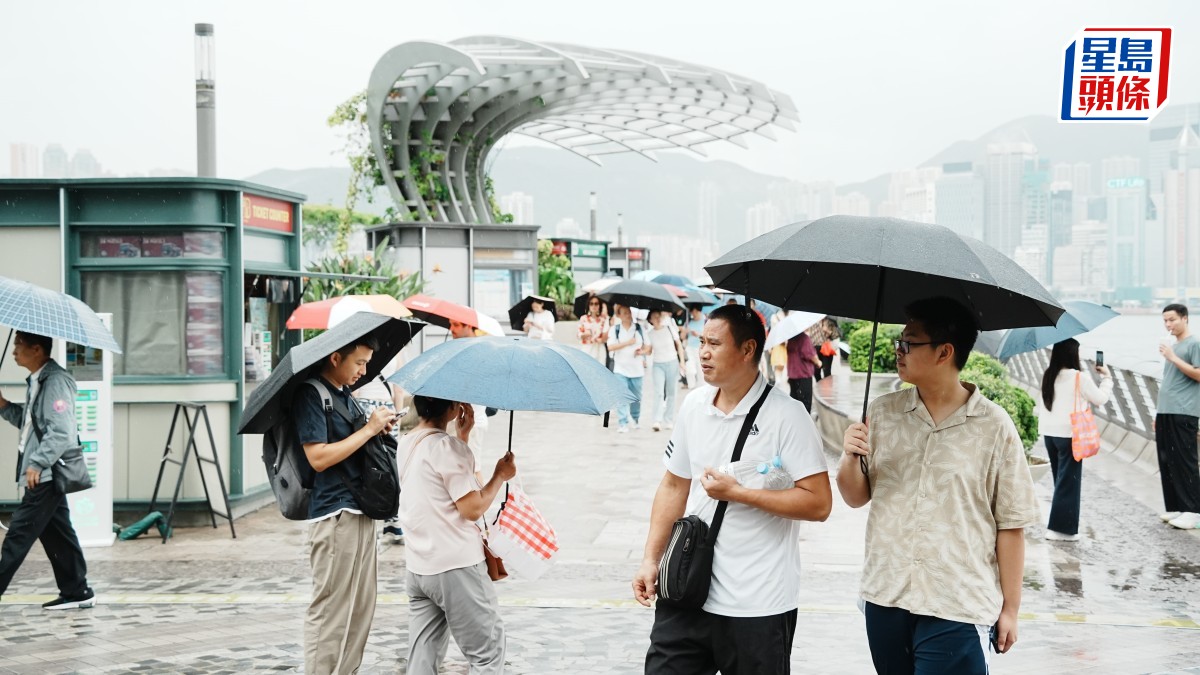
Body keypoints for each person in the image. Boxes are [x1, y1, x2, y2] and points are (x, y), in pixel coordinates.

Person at [838, 297, 1038, 673]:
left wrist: (1011, 609)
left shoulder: (994, 427)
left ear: (945, 352)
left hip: (956, 601)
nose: (898, 350)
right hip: (887, 593)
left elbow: (1011, 525)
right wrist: (850, 455)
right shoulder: (883, 412)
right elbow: (854, 497)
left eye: (909, 343)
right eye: (900, 341)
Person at [632, 304, 832, 673]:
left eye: (714, 344)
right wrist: (650, 559)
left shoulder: (787, 416)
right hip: (686, 589)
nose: (703, 352)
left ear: (747, 350)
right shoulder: (693, 405)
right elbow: (674, 484)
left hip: (757, 603)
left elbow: (819, 503)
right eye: (702, 342)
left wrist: (739, 493)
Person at [294, 333, 399, 674]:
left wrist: (378, 431)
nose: (363, 371)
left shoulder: (345, 395)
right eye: (359, 363)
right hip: (335, 514)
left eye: (367, 363)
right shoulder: (312, 394)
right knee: (331, 609)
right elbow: (318, 458)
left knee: (360, 608)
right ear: (336, 357)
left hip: (362, 510)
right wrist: (368, 430)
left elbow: (353, 445)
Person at [398, 396, 516, 675]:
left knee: (422, 658)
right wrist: (500, 475)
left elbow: (438, 485)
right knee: (487, 654)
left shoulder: (407, 442)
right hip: (456, 567)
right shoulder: (448, 447)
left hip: (419, 567)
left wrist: (461, 437)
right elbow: (472, 508)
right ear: (454, 408)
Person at [0, 331, 94, 609]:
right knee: (58, 534)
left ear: (37, 349)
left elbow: (62, 431)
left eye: (19, 345)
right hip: (44, 473)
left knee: (18, 534)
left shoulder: (55, 381)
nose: (15, 351)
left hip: (45, 474)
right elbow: (33, 427)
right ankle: (77, 591)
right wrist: (4, 405)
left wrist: (38, 462)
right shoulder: (38, 380)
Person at [1035, 338, 1112, 541]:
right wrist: (1107, 378)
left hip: (1050, 434)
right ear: (1073, 354)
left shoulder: (1048, 375)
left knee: (1061, 481)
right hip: (1069, 435)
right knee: (1069, 482)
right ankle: (1061, 530)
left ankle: (1061, 526)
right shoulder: (1079, 377)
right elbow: (1100, 399)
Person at [353, 351, 409, 545]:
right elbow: (399, 389)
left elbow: (355, 390)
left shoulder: (362, 353)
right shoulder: (396, 352)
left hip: (364, 407)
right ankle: (393, 520)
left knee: (367, 463)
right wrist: (397, 419)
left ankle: (370, 521)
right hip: (388, 409)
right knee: (389, 464)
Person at [1155, 303, 1200, 529]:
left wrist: (1173, 357)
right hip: (1167, 410)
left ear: (1184, 318)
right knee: (1168, 460)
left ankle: (1193, 511)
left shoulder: (1194, 344)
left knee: (1185, 460)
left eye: (1172, 319)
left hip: (1184, 410)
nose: (1168, 324)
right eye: (1165, 320)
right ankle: (1178, 507)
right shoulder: (1175, 345)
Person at [608, 303, 648, 433]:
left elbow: (648, 347)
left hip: (637, 370)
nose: (627, 315)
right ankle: (622, 422)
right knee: (621, 395)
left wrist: (642, 352)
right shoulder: (615, 329)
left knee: (636, 397)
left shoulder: (639, 328)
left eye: (629, 312)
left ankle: (635, 419)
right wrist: (627, 343)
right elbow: (610, 347)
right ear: (619, 315)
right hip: (620, 369)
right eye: (624, 313)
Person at [646, 310, 686, 432]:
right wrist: (639, 352)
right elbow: (648, 351)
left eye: (659, 316)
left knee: (671, 392)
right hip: (658, 364)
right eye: (654, 317)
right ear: (650, 320)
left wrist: (682, 363)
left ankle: (668, 420)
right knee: (659, 392)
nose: (657, 319)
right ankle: (657, 420)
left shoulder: (669, 328)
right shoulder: (650, 334)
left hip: (672, 362)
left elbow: (679, 345)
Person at [785, 328, 821, 413]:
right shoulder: (804, 338)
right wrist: (818, 362)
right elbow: (809, 354)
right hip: (803, 374)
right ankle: (804, 424)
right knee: (805, 402)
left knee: (794, 400)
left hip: (792, 374)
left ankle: (794, 421)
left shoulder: (791, 338)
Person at [577, 295, 609, 364]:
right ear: (588, 305)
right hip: (587, 348)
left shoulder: (604, 319)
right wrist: (585, 334)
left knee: (600, 371)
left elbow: (605, 338)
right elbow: (579, 335)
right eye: (591, 303)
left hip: (599, 349)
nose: (593, 306)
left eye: (596, 303)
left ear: (599, 305)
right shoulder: (583, 318)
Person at [684, 306, 706, 388]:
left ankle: (701, 388)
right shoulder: (689, 322)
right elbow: (682, 337)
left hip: (700, 348)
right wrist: (685, 331)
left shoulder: (705, 322)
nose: (694, 314)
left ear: (699, 311)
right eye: (692, 313)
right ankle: (691, 387)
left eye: (695, 312)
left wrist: (698, 334)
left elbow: (708, 337)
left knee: (701, 371)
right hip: (690, 348)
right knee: (690, 370)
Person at [769, 309, 789, 388]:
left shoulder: (774, 316)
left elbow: (772, 332)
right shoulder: (776, 317)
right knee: (780, 363)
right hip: (780, 343)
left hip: (780, 343)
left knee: (780, 363)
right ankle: (778, 380)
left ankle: (778, 380)